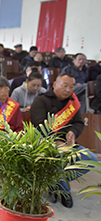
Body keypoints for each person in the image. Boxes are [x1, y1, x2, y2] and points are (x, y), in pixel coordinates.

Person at [30, 73, 98, 208]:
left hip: (68, 143)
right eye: (65, 86)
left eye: (71, 87)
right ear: (55, 84)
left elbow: (78, 123)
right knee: (57, 157)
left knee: (91, 159)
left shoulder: (73, 102)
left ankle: (54, 183)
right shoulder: (41, 100)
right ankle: (65, 191)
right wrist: (56, 142)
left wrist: (73, 132)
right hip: (45, 144)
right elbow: (39, 125)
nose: (68, 90)